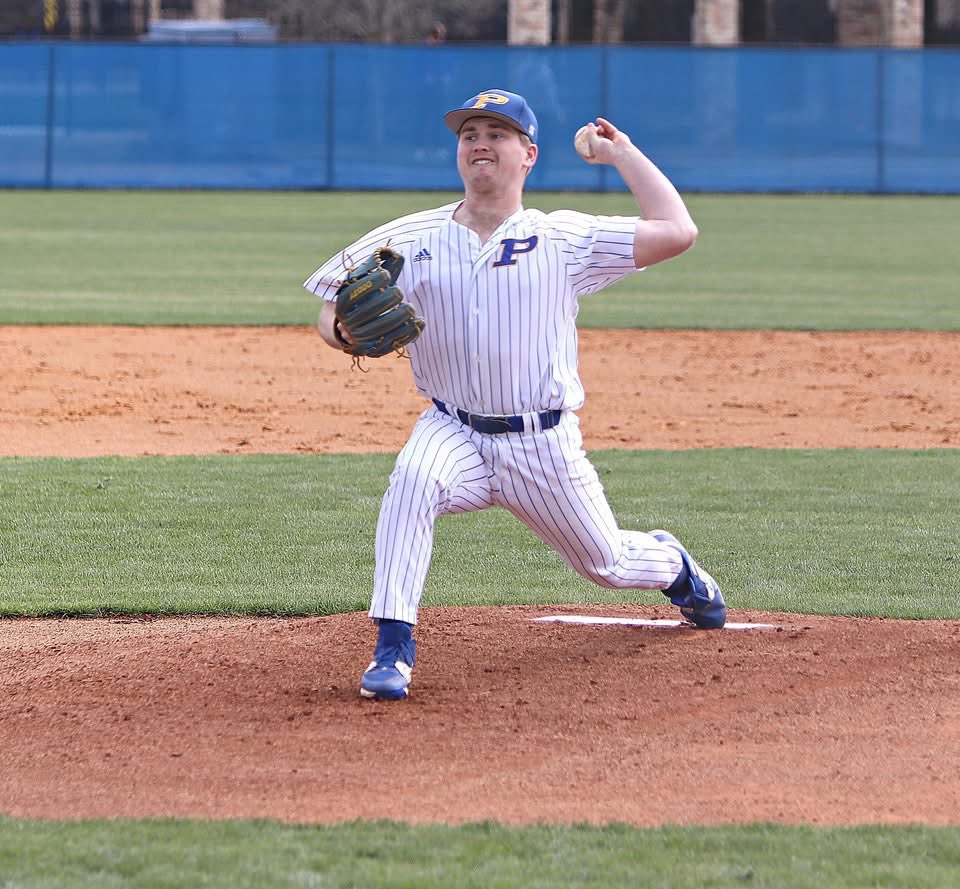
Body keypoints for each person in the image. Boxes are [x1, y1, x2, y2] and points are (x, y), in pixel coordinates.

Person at [304, 88, 726, 701]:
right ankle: (392, 649)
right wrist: (342, 332)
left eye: (497, 134)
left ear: (527, 155)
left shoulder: (563, 240)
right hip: (453, 430)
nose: (480, 142)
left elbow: (677, 230)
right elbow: (330, 304)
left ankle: (675, 565)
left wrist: (624, 155)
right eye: (470, 134)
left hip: (543, 444)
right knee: (412, 484)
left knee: (607, 564)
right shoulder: (410, 236)